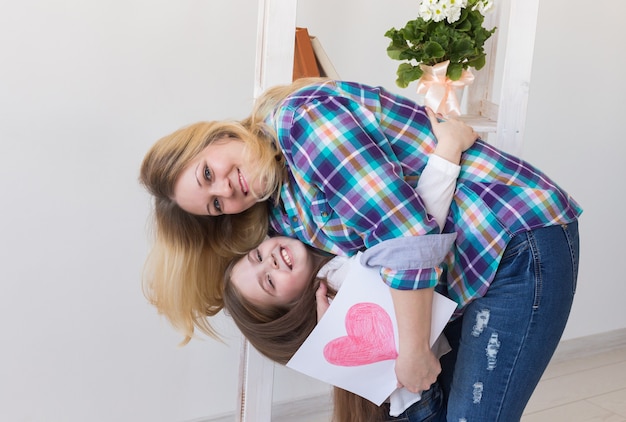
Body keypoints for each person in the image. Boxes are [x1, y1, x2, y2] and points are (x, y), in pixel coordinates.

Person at [140, 77, 582, 420]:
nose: (226, 192)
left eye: (207, 174)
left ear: (216, 138)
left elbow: (405, 235)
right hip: (461, 277)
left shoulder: (302, 121)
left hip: (511, 237)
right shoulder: (281, 213)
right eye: (215, 205)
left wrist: (411, 351)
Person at [223, 149, 461, 421]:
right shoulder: (340, 278)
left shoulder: (331, 255)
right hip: (420, 402)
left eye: (257, 256)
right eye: (268, 282)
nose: (271, 261)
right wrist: (446, 158)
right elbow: (412, 242)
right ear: (290, 308)